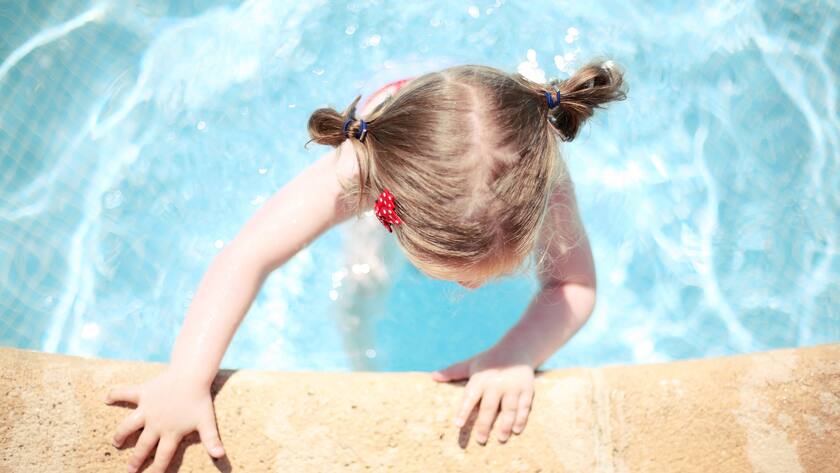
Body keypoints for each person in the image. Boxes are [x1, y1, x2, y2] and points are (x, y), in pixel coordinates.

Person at [105, 60, 626, 472]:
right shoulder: (358, 170)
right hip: (400, 132)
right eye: (461, 272)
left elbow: (574, 284)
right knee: (363, 280)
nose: (472, 287)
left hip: (472, 132)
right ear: (390, 213)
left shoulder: (541, 177)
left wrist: (516, 352)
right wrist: (187, 377)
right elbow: (248, 254)